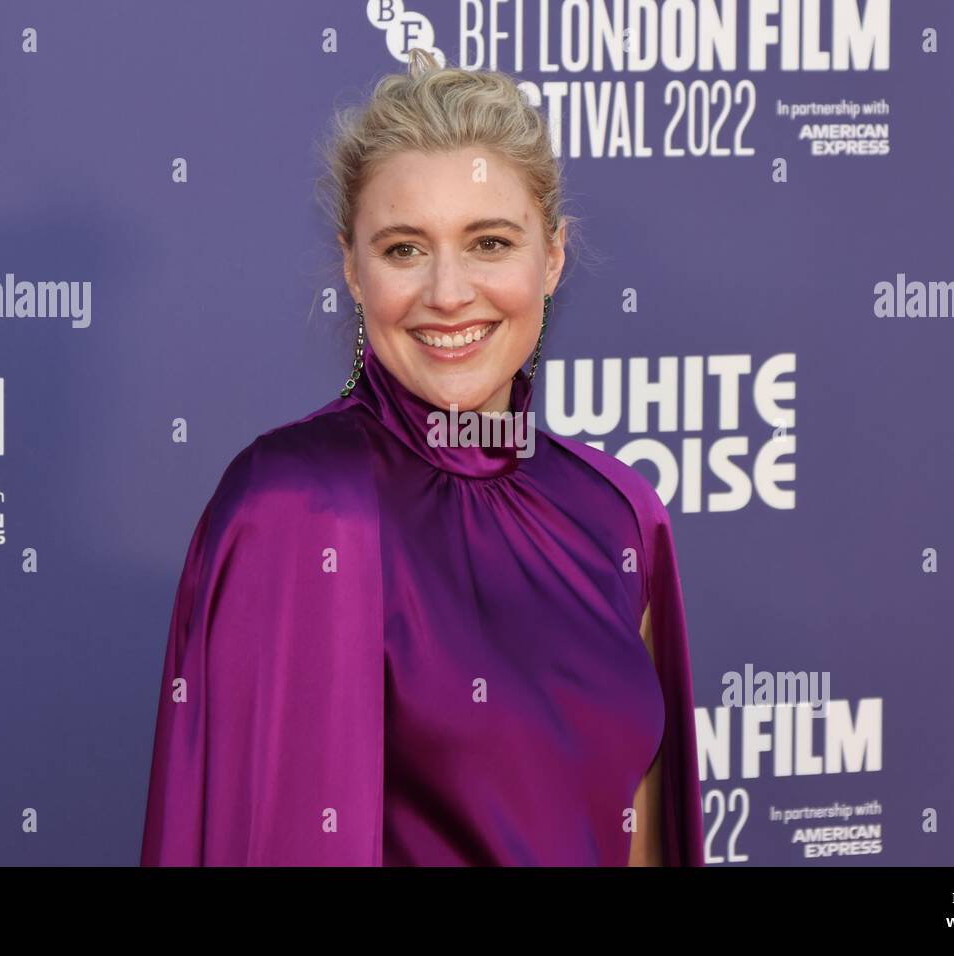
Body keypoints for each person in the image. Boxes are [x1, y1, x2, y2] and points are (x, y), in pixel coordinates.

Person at [140, 48, 704, 866]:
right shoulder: (295, 504)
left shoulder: (619, 513)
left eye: (489, 243)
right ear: (352, 268)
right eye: (405, 248)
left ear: (552, 258)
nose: (447, 293)